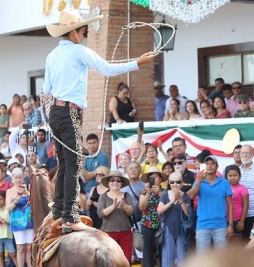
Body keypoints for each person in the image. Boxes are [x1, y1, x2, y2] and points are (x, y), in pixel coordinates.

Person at [42, 8, 156, 233]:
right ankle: (69, 217)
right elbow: (106, 68)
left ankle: (59, 213)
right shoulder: (78, 51)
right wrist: (138, 62)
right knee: (73, 165)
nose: (84, 33)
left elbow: (46, 88)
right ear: (74, 32)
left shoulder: (52, 55)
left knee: (65, 164)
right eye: (83, 29)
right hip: (69, 112)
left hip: (56, 111)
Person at [187, 155, 233, 254]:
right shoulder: (198, 181)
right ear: (203, 166)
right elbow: (191, 196)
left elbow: (230, 205)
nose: (210, 166)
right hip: (202, 224)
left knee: (222, 258)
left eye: (212, 164)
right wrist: (199, 182)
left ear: (217, 166)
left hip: (220, 224)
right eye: (207, 164)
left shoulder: (224, 182)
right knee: (202, 258)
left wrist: (230, 224)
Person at [97, 170, 133, 262]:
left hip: (125, 233)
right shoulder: (103, 196)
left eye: (118, 180)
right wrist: (113, 206)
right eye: (112, 180)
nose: (115, 182)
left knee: (126, 260)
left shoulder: (126, 195)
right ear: (108, 183)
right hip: (108, 233)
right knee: (109, 260)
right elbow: (101, 214)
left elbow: (131, 211)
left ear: (121, 183)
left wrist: (123, 205)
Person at [158, 172, 191, 267]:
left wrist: (180, 200)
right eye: (172, 182)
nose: (175, 184)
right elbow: (159, 211)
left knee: (182, 258)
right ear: (169, 183)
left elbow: (187, 214)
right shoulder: (164, 195)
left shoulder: (186, 196)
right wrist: (172, 201)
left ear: (182, 183)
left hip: (182, 229)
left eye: (177, 181)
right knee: (167, 258)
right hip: (168, 228)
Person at [139, 167, 168, 267]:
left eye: (156, 177)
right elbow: (142, 207)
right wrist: (147, 193)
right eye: (151, 177)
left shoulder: (166, 192)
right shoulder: (144, 191)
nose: (154, 179)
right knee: (147, 254)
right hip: (147, 225)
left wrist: (159, 192)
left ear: (160, 179)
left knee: (163, 253)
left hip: (162, 226)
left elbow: (169, 206)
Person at [6, 168, 33, 267]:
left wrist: (27, 193)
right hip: (17, 222)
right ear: (12, 178)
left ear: (23, 178)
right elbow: (8, 208)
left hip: (29, 221)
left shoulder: (28, 188)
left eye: (20, 177)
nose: (18, 180)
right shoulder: (9, 191)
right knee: (20, 248)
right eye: (16, 177)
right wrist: (15, 201)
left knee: (29, 247)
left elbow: (34, 203)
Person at [225, 165, 249, 243]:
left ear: (240, 176)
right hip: (224, 219)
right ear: (226, 176)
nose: (232, 178)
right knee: (225, 244)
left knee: (236, 244)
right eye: (230, 176)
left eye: (235, 175)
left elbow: (245, 205)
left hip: (237, 220)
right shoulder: (224, 187)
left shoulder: (243, 189)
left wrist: (242, 221)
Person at [0, 190, 17, 267]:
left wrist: (7, 222)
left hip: (8, 236)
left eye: (1, 199)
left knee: (13, 254)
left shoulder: (7, 209)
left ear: (4, 200)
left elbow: (12, 222)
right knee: (0, 255)